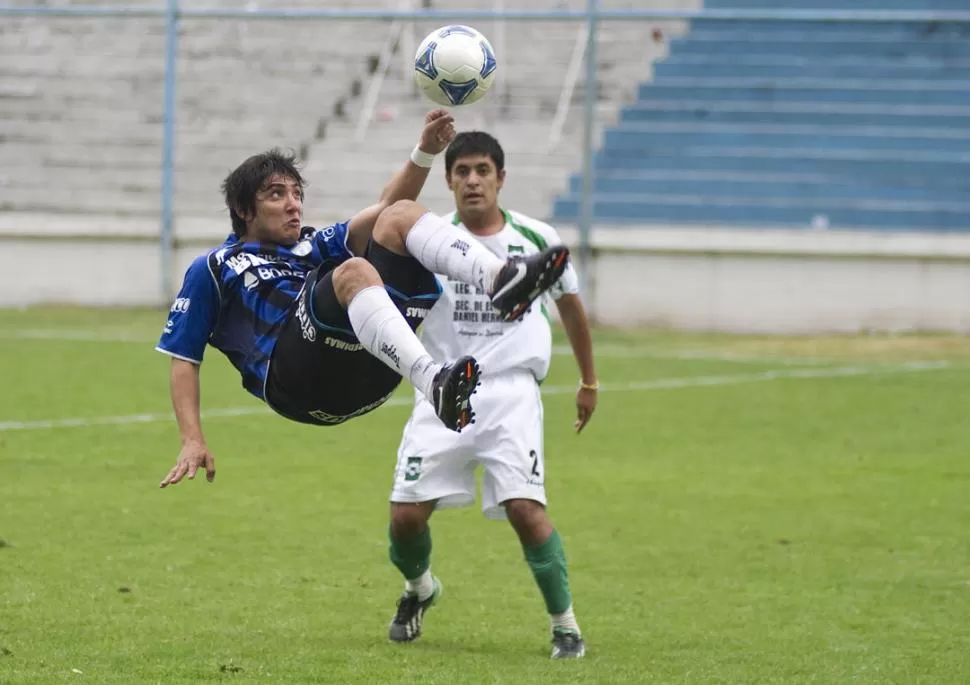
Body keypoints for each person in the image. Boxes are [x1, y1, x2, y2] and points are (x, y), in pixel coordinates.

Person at [155, 112, 571, 488]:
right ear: (245, 209)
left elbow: (385, 208)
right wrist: (192, 438)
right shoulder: (215, 266)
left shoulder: (312, 244)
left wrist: (425, 151)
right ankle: (434, 382)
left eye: (296, 193)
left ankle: (499, 279)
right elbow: (183, 356)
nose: (293, 204)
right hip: (296, 381)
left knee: (399, 215)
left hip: (367, 377)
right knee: (353, 271)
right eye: (276, 194)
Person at [384, 131, 598, 659]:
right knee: (404, 519)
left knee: (526, 509)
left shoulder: (535, 238)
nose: (473, 180)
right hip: (444, 390)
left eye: (483, 170)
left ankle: (565, 626)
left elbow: (570, 306)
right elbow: (387, 222)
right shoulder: (430, 240)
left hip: (511, 394)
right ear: (450, 180)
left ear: (501, 178)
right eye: (462, 172)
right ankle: (419, 590)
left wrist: (588, 380)